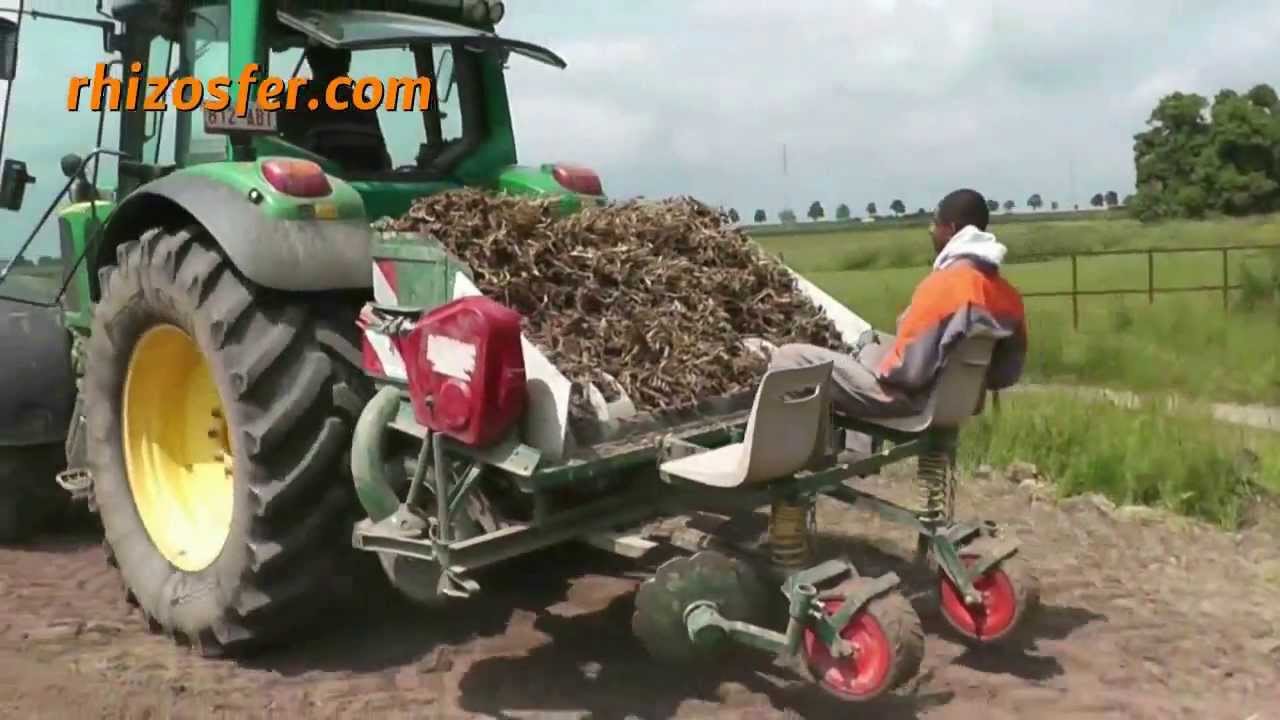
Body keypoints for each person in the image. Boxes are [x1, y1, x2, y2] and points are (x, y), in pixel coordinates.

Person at [768, 188, 1027, 422]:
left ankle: (788, 459)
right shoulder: (1008, 295)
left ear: (949, 229)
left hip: (910, 400)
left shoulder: (944, 287)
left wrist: (865, 360)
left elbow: (906, 373)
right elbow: (1005, 374)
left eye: (934, 222)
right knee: (872, 343)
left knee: (789, 357)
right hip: (958, 401)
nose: (929, 230)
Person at [278, 44, 391, 172]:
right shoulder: (363, 103)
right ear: (347, 63)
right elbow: (384, 160)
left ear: (311, 62)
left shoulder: (296, 98)